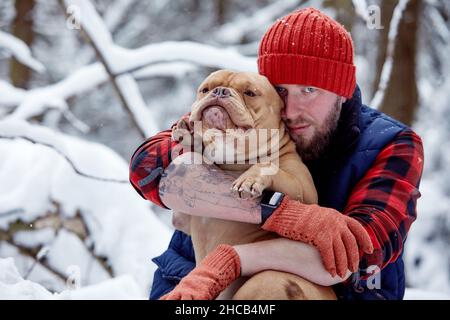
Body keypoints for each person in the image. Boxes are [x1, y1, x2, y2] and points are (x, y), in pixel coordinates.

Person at [129, 7, 424, 300]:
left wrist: (231, 259)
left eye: (309, 90)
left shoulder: (392, 144)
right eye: (281, 91)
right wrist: (286, 214)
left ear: (342, 91)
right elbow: (147, 168)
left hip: (307, 291)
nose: (291, 111)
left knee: (270, 290)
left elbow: (360, 253)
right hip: (187, 285)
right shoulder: (237, 113)